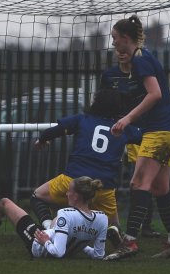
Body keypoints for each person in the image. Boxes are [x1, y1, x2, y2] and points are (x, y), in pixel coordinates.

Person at [103, 15, 170, 260]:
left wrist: (128, 119)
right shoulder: (141, 58)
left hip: (159, 131)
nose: (114, 44)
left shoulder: (140, 60)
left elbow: (155, 94)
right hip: (166, 130)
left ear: (126, 39)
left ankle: (129, 242)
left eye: (115, 39)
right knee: (160, 187)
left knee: (139, 184)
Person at [29, 89, 142, 243]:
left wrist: (42, 140)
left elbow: (54, 131)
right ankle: (115, 235)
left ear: (97, 102)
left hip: (74, 181)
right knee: (114, 225)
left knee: (37, 196)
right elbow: (144, 137)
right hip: (103, 186)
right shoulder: (123, 128)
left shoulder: (83, 119)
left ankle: (49, 228)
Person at [100, 50, 161, 238]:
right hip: (115, 132)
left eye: (123, 50)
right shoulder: (109, 75)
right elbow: (103, 100)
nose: (121, 53)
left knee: (141, 178)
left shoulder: (141, 73)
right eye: (117, 50)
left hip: (137, 131)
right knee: (108, 175)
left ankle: (146, 225)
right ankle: (107, 222)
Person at [0, 176, 108, 259]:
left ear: (76, 196)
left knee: (5, 202)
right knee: (56, 223)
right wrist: (83, 245)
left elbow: (58, 253)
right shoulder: (102, 218)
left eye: (69, 191)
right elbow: (98, 255)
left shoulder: (66, 214)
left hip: (38, 245)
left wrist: (45, 241)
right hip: (61, 243)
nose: (66, 194)